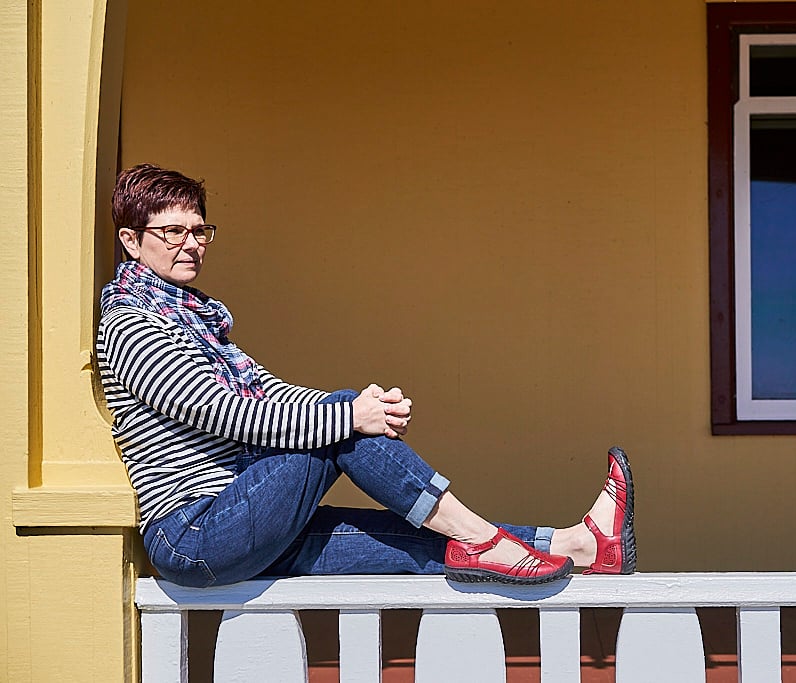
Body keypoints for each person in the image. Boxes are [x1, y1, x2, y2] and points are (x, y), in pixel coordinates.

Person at [96, 163, 637, 588]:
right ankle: (478, 534)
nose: (191, 244)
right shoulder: (131, 323)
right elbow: (231, 414)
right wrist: (352, 414)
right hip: (197, 535)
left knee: (417, 540)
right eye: (171, 232)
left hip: (252, 522)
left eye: (200, 231)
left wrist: (360, 409)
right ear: (130, 239)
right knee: (343, 421)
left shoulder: (196, 321)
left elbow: (274, 393)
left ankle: (580, 546)